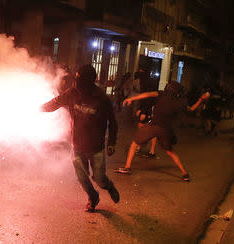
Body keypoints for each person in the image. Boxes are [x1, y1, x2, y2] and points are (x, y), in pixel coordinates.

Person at [41, 64, 120, 212]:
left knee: (99, 178)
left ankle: (108, 186)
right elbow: (56, 102)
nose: (77, 82)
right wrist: (39, 108)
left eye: (80, 79)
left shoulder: (102, 98)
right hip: (77, 145)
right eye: (77, 78)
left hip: (96, 147)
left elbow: (113, 122)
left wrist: (111, 143)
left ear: (91, 81)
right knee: (82, 178)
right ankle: (93, 197)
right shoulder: (73, 92)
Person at [115, 81, 210, 181]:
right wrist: (201, 99)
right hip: (165, 130)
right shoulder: (179, 102)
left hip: (153, 126)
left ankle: (127, 167)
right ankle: (184, 173)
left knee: (134, 144)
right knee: (170, 151)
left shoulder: (161, 94)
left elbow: (147, 94)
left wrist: (130, 98)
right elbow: (191, 110)